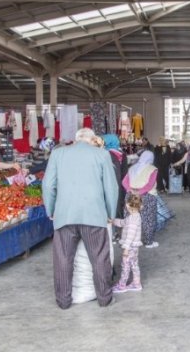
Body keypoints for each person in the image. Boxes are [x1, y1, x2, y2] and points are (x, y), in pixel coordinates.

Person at [43, 128, 119, 309]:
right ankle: (104, 299)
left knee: (63, 259)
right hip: (94, 214)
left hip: (64, 215)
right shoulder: (102, 155)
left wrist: (51, 209)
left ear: (76, 139)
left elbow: (48, 185)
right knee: (100, 257)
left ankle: (63, 301)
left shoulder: (58, 154)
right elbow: (111, 187)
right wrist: (110, 213)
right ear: (92, 139)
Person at [123, 150, 160, 248]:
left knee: (130, 218)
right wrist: (139, 192)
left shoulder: (132, 168)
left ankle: (128, 241)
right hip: (147, 196)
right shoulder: (153, 169)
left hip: (131, 195)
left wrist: (131, 190)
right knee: (148, 219)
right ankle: (149, 242)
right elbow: (150, 185)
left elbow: (124, 182)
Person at [111, 194, 143, 293]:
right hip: (134, 247)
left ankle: (122, 285)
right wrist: (113, 221)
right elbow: (123, 222)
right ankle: (136, 284)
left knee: (125, 266)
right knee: (134, 265)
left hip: (130, 248)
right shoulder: (134, 216)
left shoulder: (133, 219)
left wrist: (126, 248)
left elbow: (130, 235)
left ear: (128, 205)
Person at [103, 134, 128, 218]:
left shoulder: (106, 154)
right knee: (118, 201)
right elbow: (125, 171)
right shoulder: (121, 153)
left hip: (111, 182)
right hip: (121, 182)